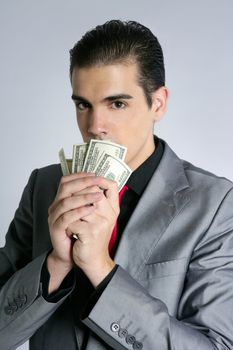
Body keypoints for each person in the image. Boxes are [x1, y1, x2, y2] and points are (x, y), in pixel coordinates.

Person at [1, 20, 233, 350]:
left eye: (117, 104)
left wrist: (100, 268)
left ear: (159, 103)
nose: (95, 126)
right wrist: (55, 264)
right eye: (83, 104)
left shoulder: (216, 205)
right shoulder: (45, 186)